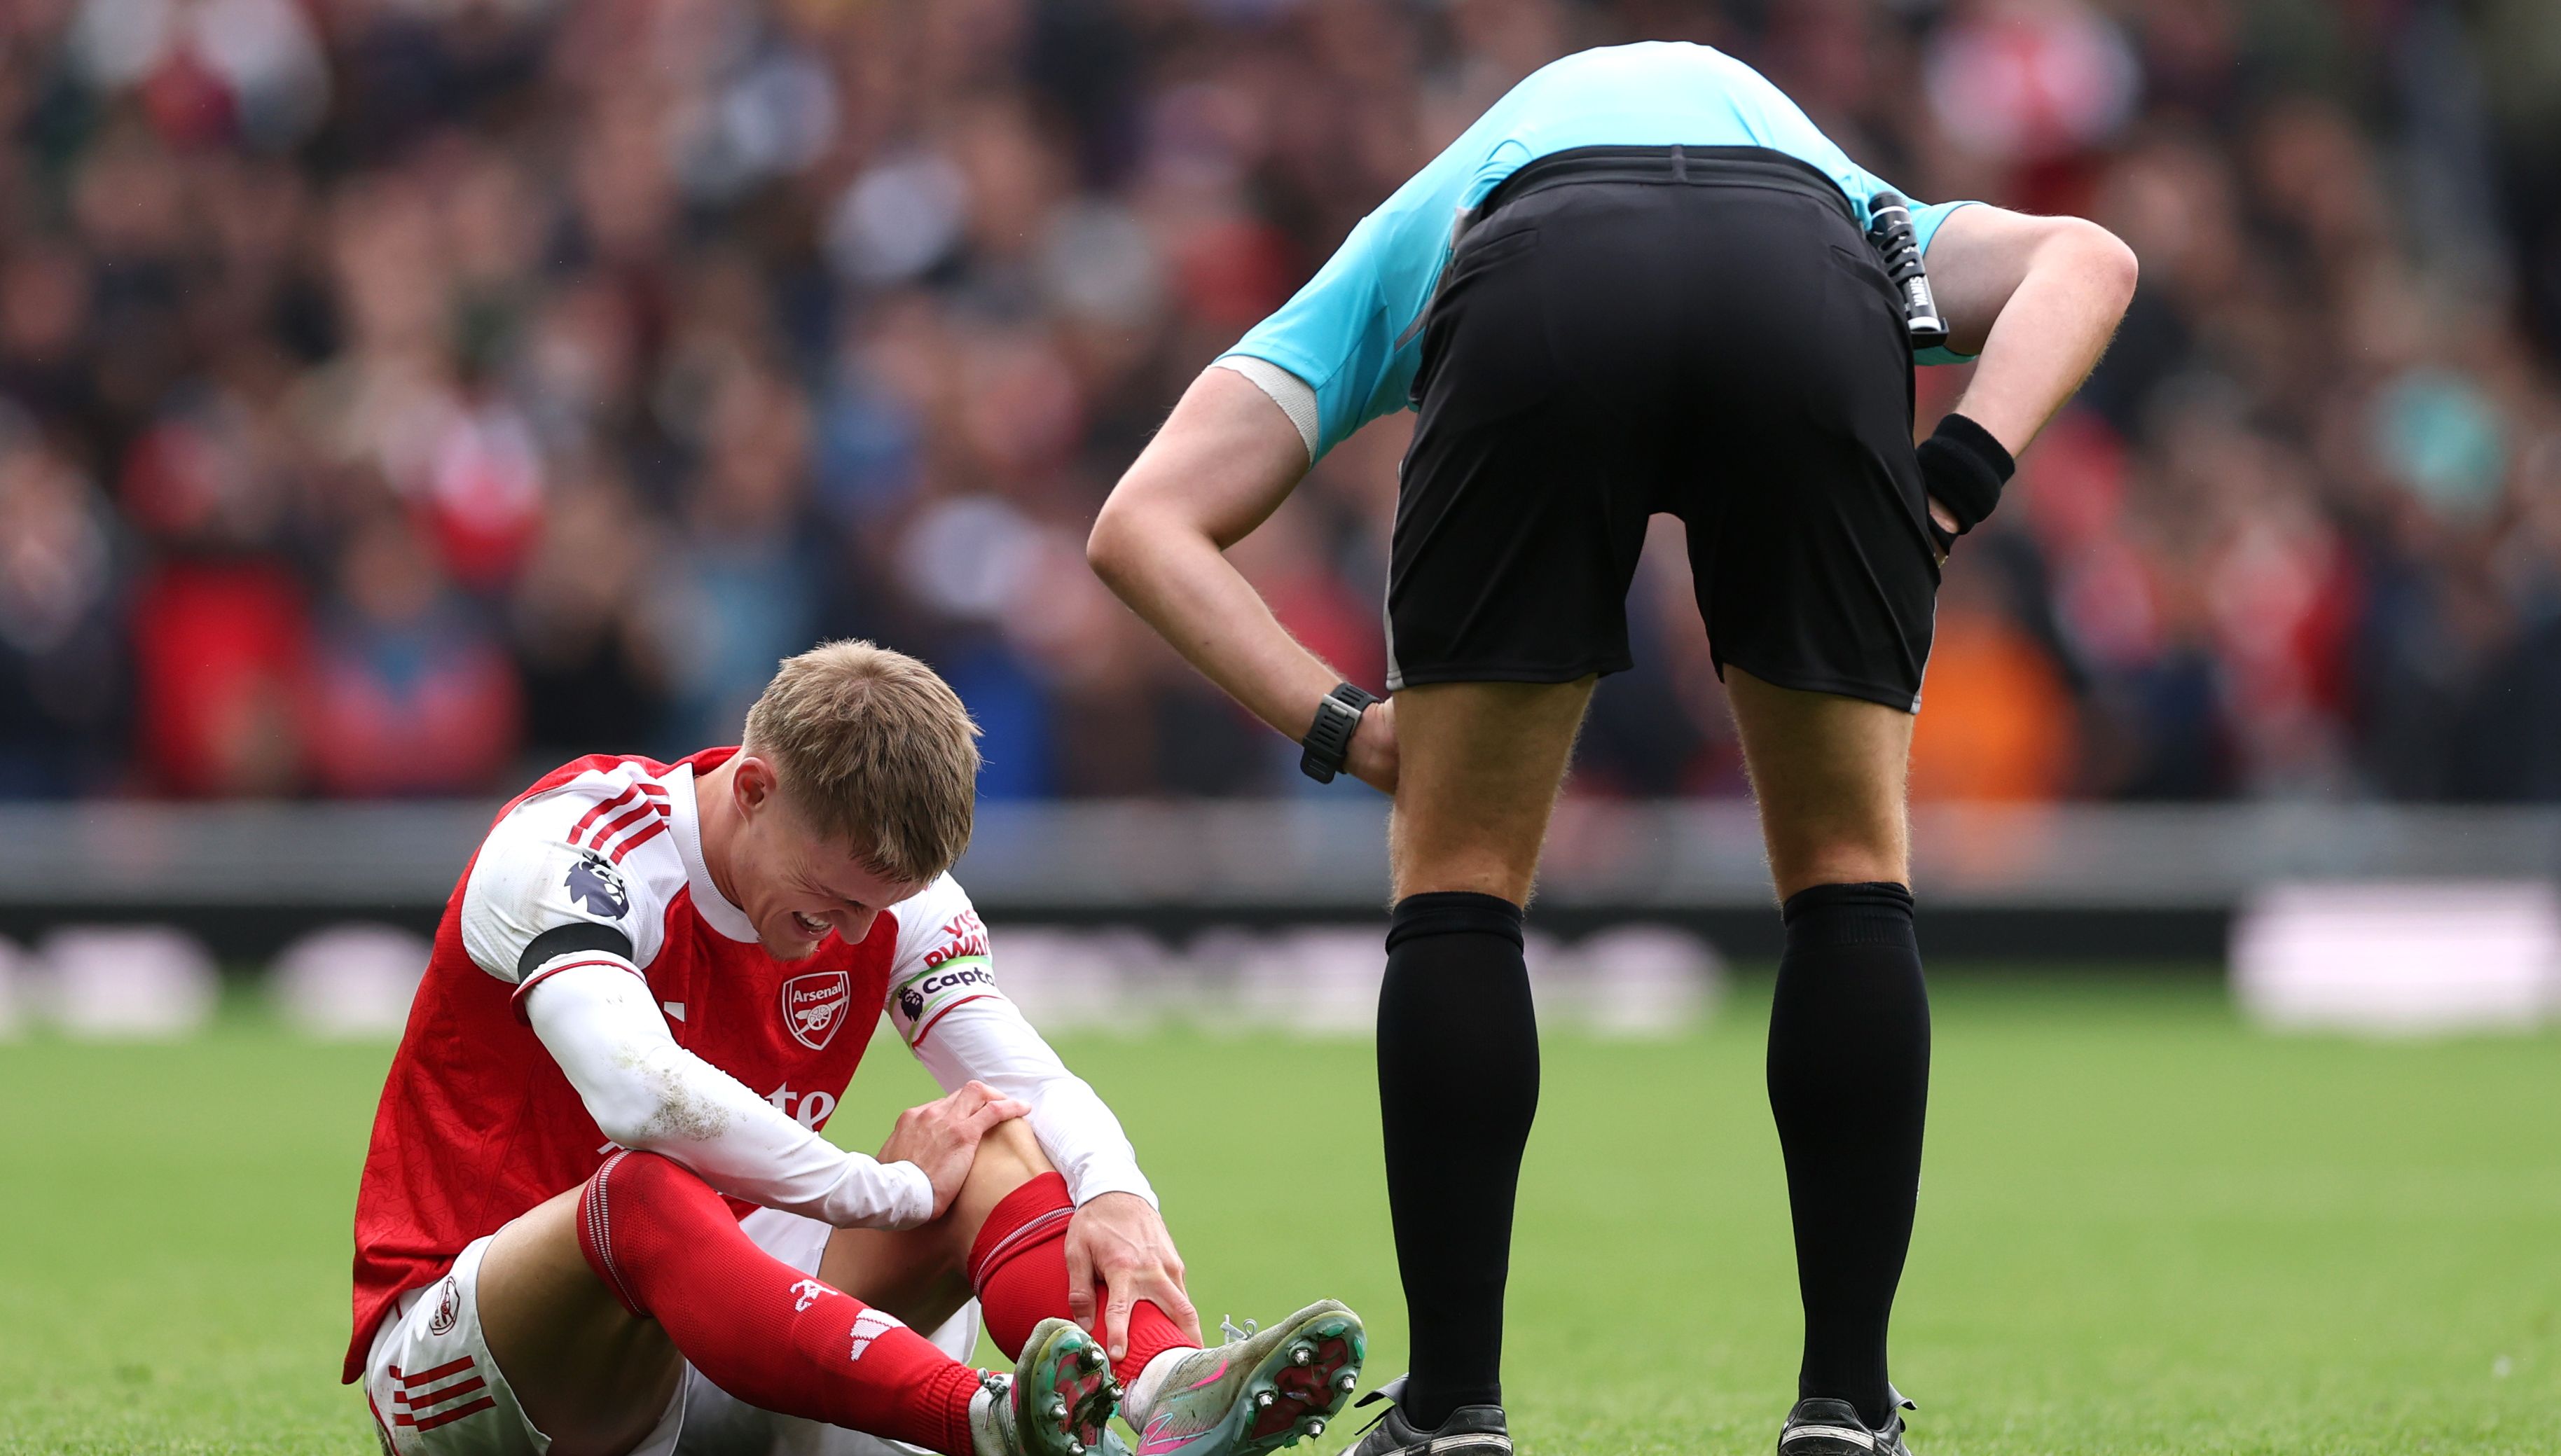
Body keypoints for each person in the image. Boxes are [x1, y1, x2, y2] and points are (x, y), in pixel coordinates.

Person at [1086, 41, 2136, 1456]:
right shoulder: (1857, 199)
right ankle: (1847, 1404)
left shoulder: (1409, 232)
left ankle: (1455, 1409)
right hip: (1799, 280)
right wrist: (1950, 488)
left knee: (1458, 875)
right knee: (1844, 869)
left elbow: (1138, 525)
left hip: (1535, 279)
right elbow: (2092, 261)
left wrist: (1346, 725)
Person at [346, 641, 1368, 1456]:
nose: (846, 935)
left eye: (873, 910)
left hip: (727, 1334)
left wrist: (1117, 1195)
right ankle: (981, 1419)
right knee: (648, 1189)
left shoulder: (886, 895)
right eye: (832, 901)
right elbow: (641, 1100)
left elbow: (1021, 1074)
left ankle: (1162, 1394)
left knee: (996, 1139)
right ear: (752, 788)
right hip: (485, 1367)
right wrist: (878, 1190)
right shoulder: (572, 851)